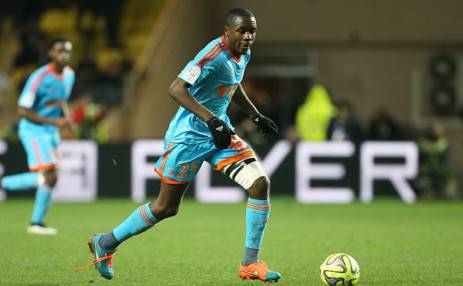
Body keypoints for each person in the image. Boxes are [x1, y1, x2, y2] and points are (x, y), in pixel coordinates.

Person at [83, 8, 281, 283]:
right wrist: (211, 119)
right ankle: (106, 242)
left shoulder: (243, 53)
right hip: (187, 138)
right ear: (227, 32)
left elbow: (231, 86)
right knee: (166, 207)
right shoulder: (211, 55)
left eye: (252, 31)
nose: (248, 36)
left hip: (219, 133)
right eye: (242, 31)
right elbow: (175, 88)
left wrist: (255, 115)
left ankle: (250, 263)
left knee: (259, 183)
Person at [0, 38, 75, 235]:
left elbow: (62, 100)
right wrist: (54, 122)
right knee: (49, 174)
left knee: (51, 176)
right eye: (60, 50)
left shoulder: (69, 75)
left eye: (68, 51)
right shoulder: (39, 77)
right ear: (51, 53)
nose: (64, 54)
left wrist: (66, 120)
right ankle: (36, 223)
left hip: (51, 131)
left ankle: (5, 185)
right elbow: (22, 110)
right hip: (33, 129)